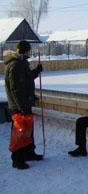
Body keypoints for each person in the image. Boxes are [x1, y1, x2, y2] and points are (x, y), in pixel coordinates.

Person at [4, 40, 43, 170]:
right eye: (29, 51)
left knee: (28, 130)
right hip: (18, 106)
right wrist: (22, 107)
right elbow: (16, 89)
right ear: (23, 51)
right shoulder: (15, 65)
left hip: (25, 103)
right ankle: (17, 159)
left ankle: (29, 153)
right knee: (19, 132)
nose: (30, 53)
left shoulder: (22, 63)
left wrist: (36, 71)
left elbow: (26, 79)